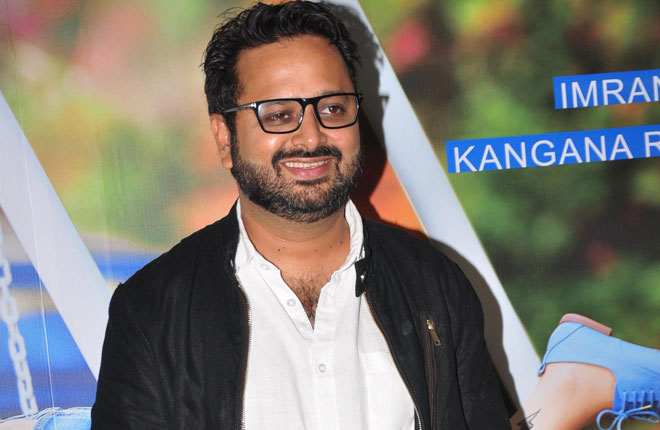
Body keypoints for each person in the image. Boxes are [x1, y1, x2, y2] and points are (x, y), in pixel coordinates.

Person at [90, 1, 509, 429]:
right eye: (278, 115)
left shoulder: (434, 286)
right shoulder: (152, 312)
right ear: (224, 138)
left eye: (333, 109)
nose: (311, 136)